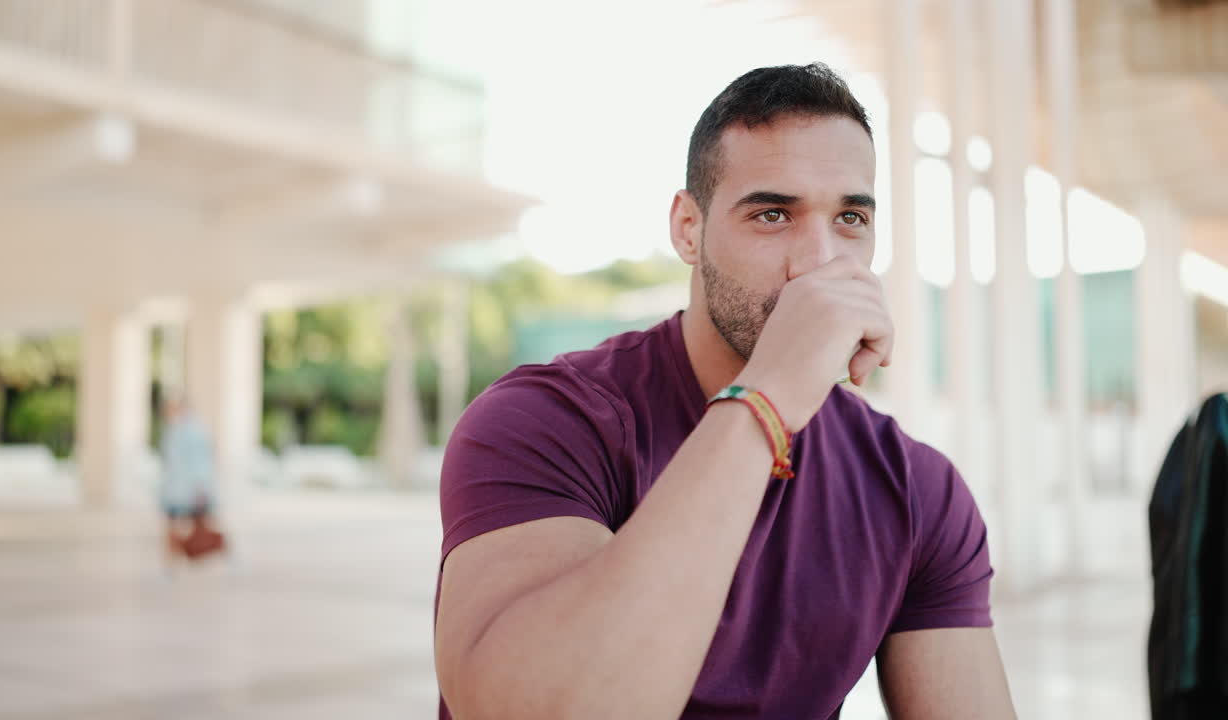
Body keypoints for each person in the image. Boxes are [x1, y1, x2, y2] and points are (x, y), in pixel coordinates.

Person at [434, 64, 1017, 719]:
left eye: (850, 218)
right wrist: (766, 396)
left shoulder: (916, 490)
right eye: (773, 214)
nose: (820, 262)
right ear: (688, 228)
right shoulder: (546, 422)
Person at [159, 395, 222, 573]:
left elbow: (200, 462)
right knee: (173, 525)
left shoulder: (192, 431)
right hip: (178, 488)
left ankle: (187, 559)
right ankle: (172, 561)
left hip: (189, 489)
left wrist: (201, 486)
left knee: (193, 526)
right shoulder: (177, 429)